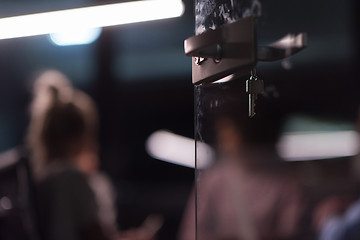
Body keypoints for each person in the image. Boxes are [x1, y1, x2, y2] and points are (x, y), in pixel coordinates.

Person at [178, 82, 304, 240]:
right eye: (222, 130)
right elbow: (191, 233)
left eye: (229, 131)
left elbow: (292, 234)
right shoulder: (214, 180)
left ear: (247, 132)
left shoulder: (285, 183)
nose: (223, 138)